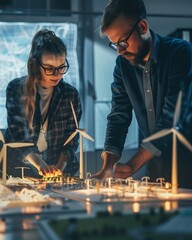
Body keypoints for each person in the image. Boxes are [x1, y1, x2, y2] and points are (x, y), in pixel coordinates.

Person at [92, 0, 192, 188]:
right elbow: (118, 116)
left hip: (188, 164)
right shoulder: (123, 66)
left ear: (142, 27)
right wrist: (108, 167)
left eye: (122, 42)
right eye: (114, 45)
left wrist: (132, 165)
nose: (120, 52)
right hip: (156, 168)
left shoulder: (181, 53)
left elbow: (172, 117)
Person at [3, 29, 82, 178]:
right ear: (35, 65)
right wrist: (41, 165)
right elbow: (19, 135)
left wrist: (59, 168)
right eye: (50, 69)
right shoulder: (16, 89)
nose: (57, 74)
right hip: (19, 169)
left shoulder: (70, 94)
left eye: (61, 67)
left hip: (59, 168)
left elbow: (71, 140)